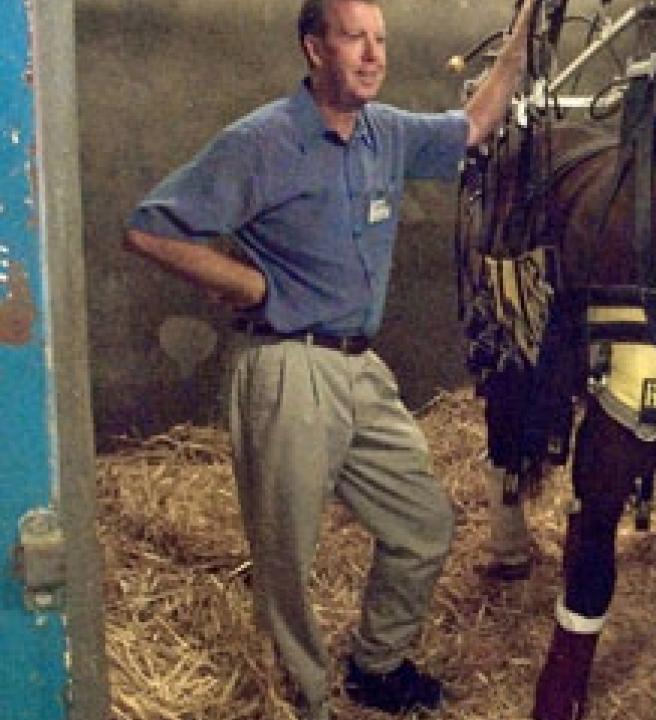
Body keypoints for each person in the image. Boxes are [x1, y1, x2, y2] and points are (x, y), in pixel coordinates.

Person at [123, 0, 534, 717]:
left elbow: (472, 125)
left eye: (380, 40)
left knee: (424, 522)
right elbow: (151, 230)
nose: (373, 55)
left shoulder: (388, 133)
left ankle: (377, 665)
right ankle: (301, 698)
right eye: (355, 40)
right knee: (287, 555)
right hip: (287, 367)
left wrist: (526, 33)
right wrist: (251, 285)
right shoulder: (263, 141)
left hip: (357, 368)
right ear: (316, 50)